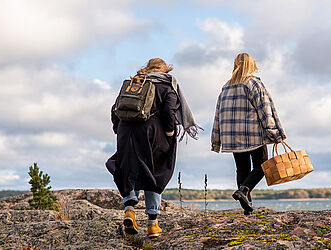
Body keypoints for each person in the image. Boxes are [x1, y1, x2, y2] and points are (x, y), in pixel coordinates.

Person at [108, 58, 201, 237]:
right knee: (155, 172)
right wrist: (169, 132)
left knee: (128, 167)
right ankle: (152, 224)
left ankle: (129, 209)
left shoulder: (134, 83)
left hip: (125, 131)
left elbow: (115, 109)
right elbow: (168, 112)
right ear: (165, 71)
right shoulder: (167, 86)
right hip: (152, 132)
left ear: (147, 69)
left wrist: (118, 130)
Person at [211, 52, 286, 215]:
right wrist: (273, 132)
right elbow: (265, 110)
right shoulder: (253, 83)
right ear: (252, 66)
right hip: (252, 134)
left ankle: (247, 208)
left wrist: (216, 140)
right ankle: (244, 190)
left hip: (231, 136)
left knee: (242, 169)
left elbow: (217, 115)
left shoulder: (226, 87)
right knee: (262, 165)